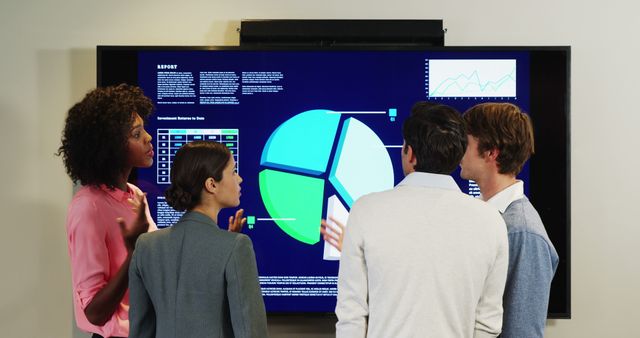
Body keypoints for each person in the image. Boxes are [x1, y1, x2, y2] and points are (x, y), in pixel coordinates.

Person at [336, 102, 509, 338]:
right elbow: (488, 324)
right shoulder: (491, 220)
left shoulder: (366, 210)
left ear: (411, 153)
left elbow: (351, 315)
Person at [128, 141, 268, 338]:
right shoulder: (237, 246)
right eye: (233, 171)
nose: (240, 179)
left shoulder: (145, 246)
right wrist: (228, 245)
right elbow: (251, 332)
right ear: (211, 184)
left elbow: (140, 331)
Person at [58, 84, 158, 338]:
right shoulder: (88, 207)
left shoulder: (134, 194)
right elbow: (94, 312)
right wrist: (134, 252)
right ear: (111, 146)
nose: (148, 138)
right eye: (137, 134)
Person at [460, 102, 559, 338]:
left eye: (466, 143)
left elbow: (521, 331)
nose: (457, 150)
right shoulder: (486, 218)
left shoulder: (523, 233)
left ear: (491, 152)